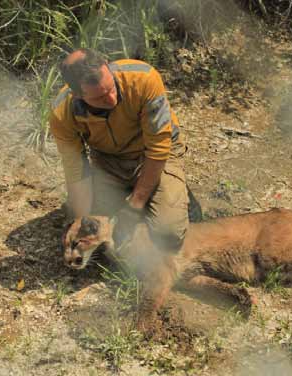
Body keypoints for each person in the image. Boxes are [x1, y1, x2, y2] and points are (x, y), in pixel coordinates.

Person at [49, 48, 190, 251]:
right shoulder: (62, 114)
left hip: (152, 154)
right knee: (93, 232)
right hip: (109, 161)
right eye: (99, 98)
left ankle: (161, 196)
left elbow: (158, 148)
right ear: (77, 95)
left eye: (111, 88)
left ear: (107, 65)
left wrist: (135, 205)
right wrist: (81, 219)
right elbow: (76, 170)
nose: (111, 99)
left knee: (168, 233)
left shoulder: (144, 78)